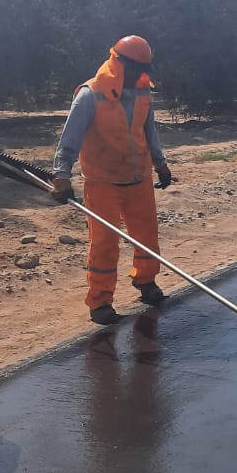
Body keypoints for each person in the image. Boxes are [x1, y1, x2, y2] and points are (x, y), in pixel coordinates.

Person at [52, 36, 173, 325]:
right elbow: (70, 139)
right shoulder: (91, 93)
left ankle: (146, 282)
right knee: (104, 243)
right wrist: (61, 175)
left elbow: (149, 130)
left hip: (139, 178)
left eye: (145, 69)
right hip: (102, 181)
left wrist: (160, 162)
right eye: (137, 69)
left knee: (147, 236)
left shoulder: (143, 92)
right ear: (119, 64)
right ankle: (100, 302)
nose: (141, 74)